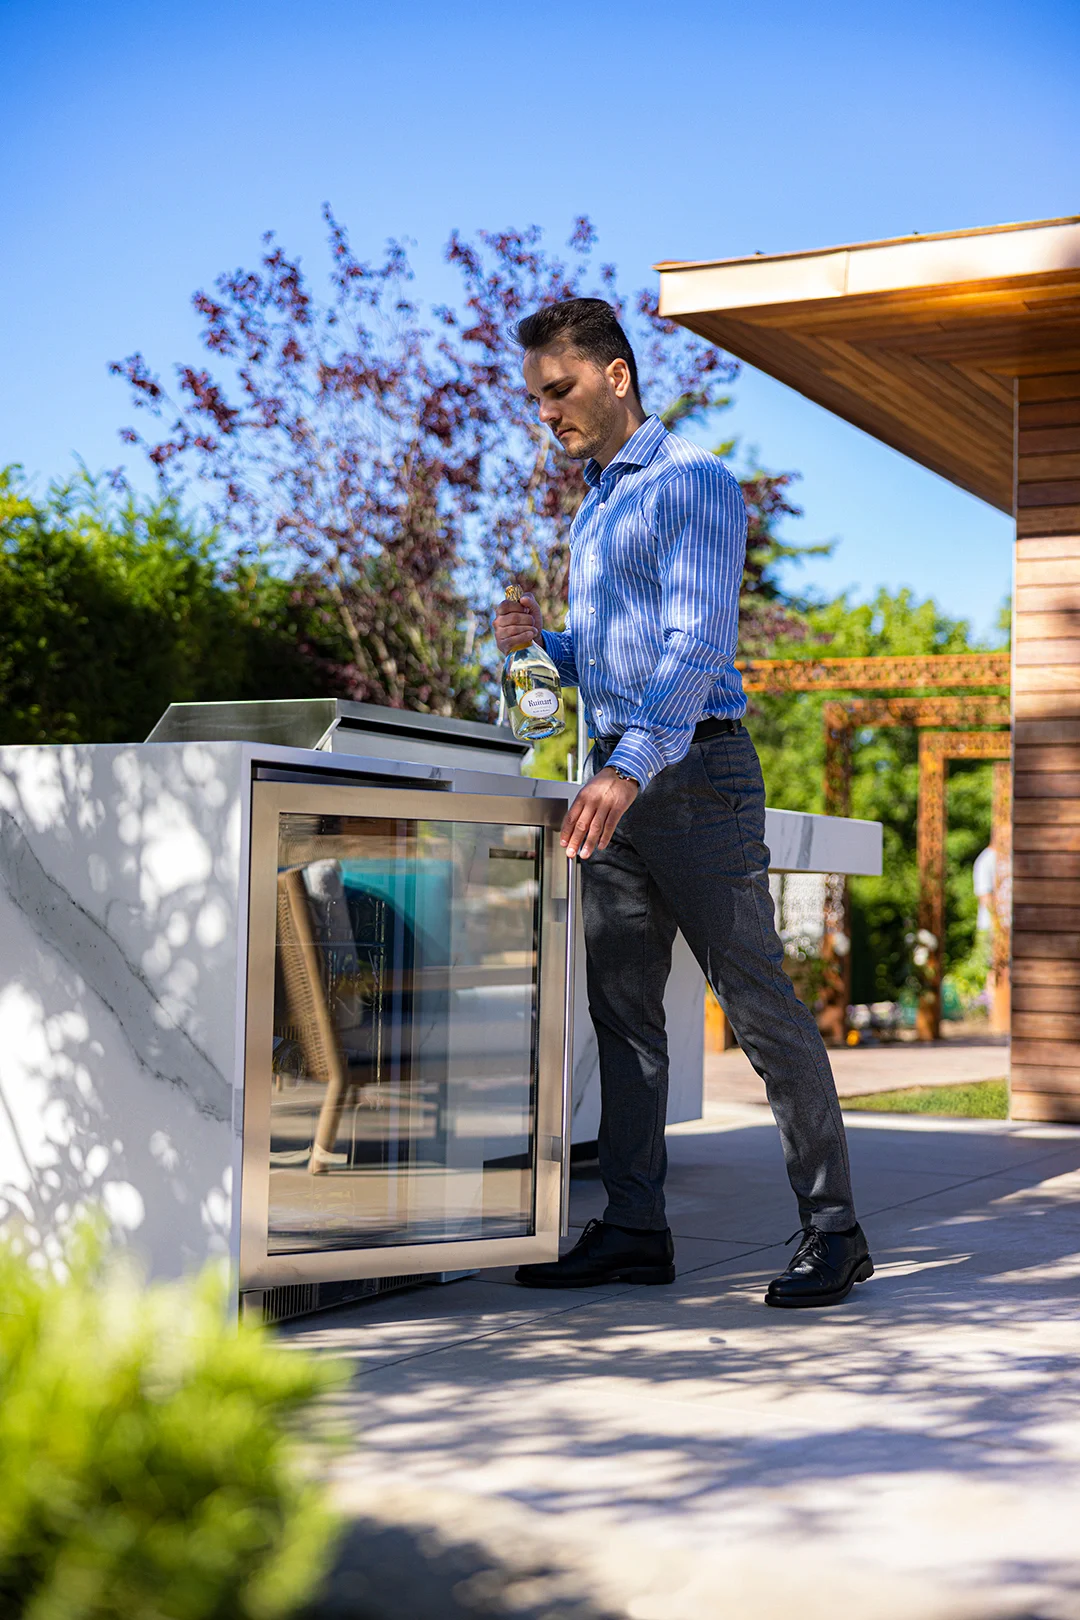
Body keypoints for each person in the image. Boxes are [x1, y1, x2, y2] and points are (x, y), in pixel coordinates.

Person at [493, 298, 873, 1309]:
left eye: (560, 391)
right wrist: (538, 645)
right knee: (621, 1015)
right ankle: (632, 1228)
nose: (548, 414)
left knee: (755, 1005)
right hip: (616, 779)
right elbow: (615, 658)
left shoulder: (691, 483)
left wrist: (627, 765)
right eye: (537, 400)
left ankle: (835, 1231)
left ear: (617, 375)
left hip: (690, 774)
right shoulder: (594, 506)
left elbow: (697, 647)